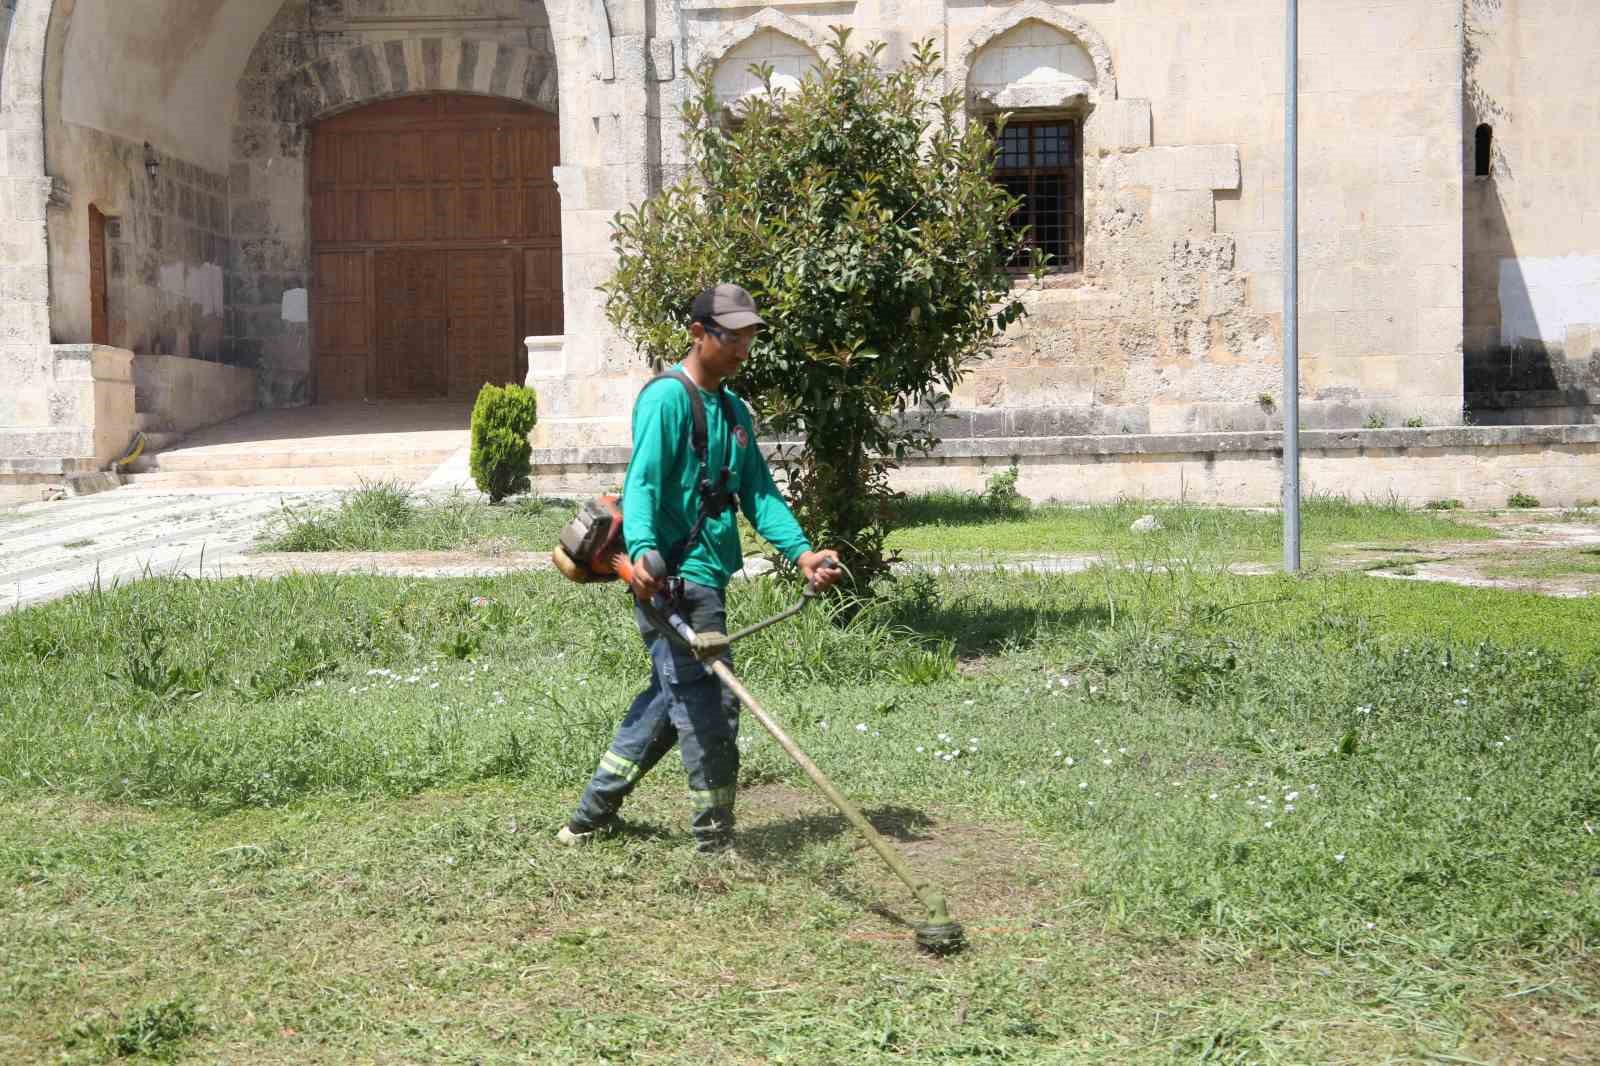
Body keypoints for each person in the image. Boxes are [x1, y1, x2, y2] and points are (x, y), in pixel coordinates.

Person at [557, 283, 843, 853]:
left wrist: (804, 553)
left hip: (708, 577)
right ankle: (715, 844)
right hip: (671, 582)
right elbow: (643, 482)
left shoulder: (735, 412)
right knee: (709, 703)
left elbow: (759, 494)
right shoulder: (666, 398)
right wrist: (640, 554)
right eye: (730, 336)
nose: (742, 348)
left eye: (748, 337)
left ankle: (588, 817)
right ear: (697, 333)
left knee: (671, 698)